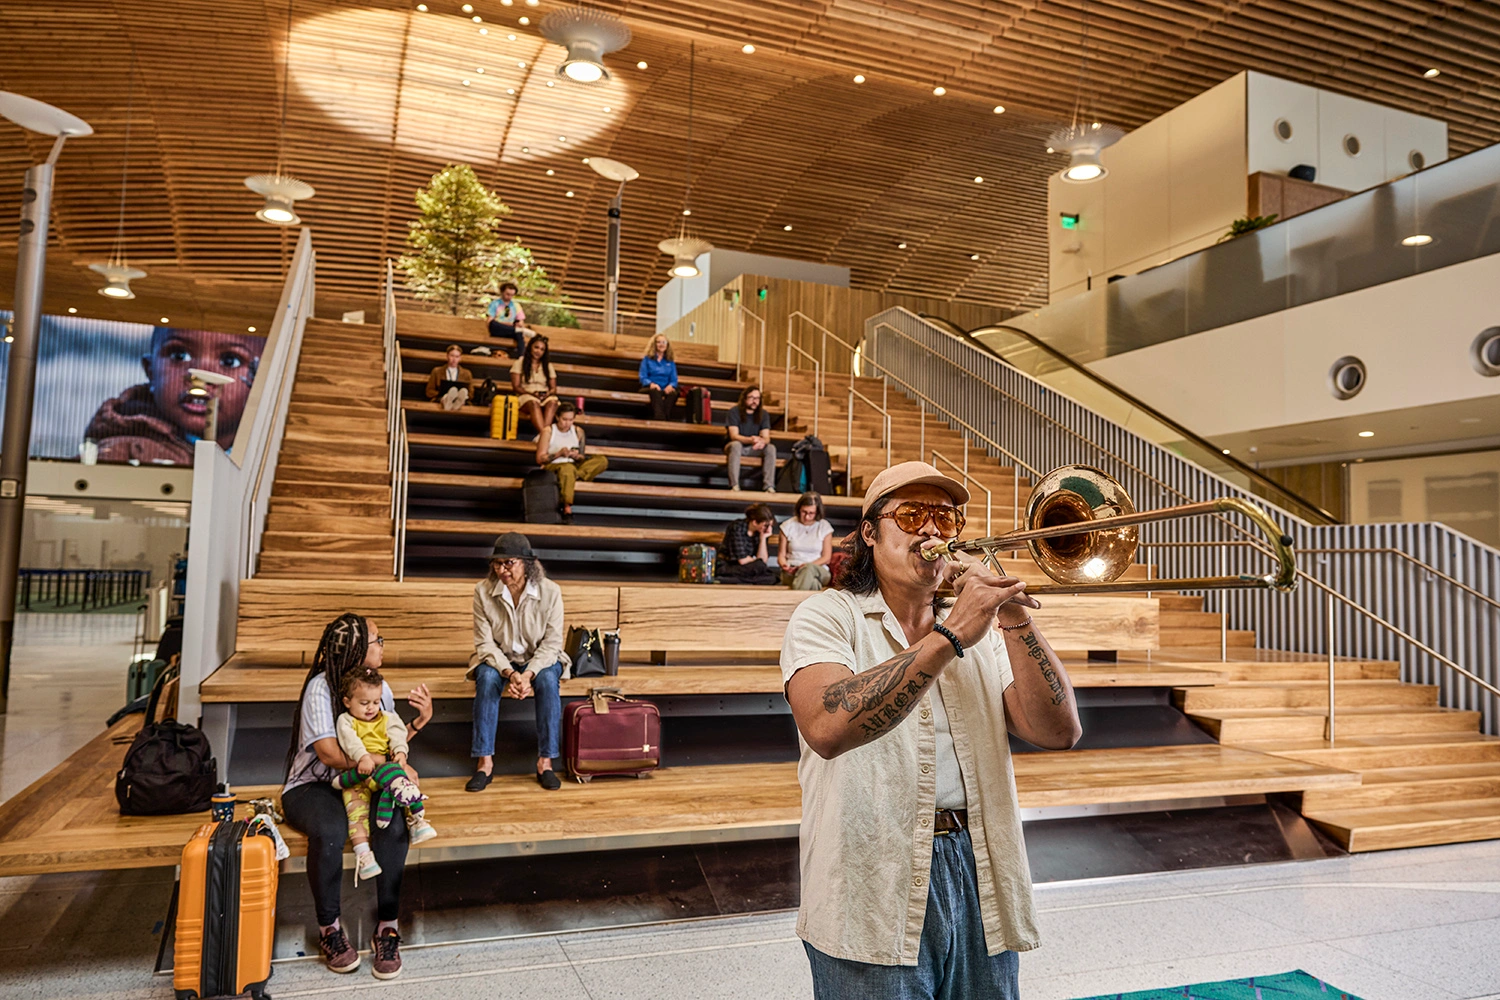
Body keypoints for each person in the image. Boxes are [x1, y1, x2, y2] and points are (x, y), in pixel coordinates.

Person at [781, 461, 1082, 998]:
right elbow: (827, 727)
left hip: (982, 866)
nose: (931, 531)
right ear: (870, 533)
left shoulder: (985, 627)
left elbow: (1058, 731)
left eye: (946, 518)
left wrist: (1014, 616)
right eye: (912, 515)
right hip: (870, 871)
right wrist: (951, 633)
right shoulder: (827, 615)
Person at [281, 613, 433, 980]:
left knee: (394, 824)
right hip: (314, 785)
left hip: (365, 785)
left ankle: (387, 927)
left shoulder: (381, 689)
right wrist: (391, 767)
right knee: (331, 831)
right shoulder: (322, 688)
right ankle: (329, 929)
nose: (383, 646)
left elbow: (389, 739)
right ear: (356, 650)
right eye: (378, 640)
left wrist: (416, 724)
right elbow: (331, 755)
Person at [466, 533, 570, 793]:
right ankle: (484, 763)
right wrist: (510, 673)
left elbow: (552, 644)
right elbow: (485, 644)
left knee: (547, 679)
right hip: (501, 660)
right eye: (497, 563)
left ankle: (545, 762)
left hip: (540, 660)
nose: (502, 570)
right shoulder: (482, 591)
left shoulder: (551, 592)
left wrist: (529, 674)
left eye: (509, 563)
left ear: (527, 563)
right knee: (487, 677)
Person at [85, 325, 263, 465]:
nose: (199, 375)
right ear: (150, 370)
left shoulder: (263, 453)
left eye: (229, 360)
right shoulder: (123, 451)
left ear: (260, 378)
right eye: (179, 355)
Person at [330, 666, 437, 886]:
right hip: (358, 775)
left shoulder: (387, 718)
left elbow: (398, 736)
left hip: (382, 773)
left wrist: (400, 753)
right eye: (364, 703)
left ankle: (417, 820)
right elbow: (350, 740)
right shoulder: (346, 721)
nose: (371, 708)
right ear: (347, 701)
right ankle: (364, 854)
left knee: (400, 784)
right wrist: (362, 756)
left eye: (376, 702)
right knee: (356, 812)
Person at [535, 401, 606, 523]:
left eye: (570, 420)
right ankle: (567, 508)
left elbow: (582, 457)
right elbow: (540, 459)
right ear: (557, 417)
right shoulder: (548, 431)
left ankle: (574, 476)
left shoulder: (578, 431)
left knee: (601, 460)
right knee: (567, 468)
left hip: (572, 464)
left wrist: (575, 455)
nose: (567, 423)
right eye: (564, 419)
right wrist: (558, 454)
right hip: (555, 466)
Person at [724, 385, 776, 492]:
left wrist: (762, 441)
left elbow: (766, 437)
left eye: (757, 398)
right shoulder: (734, 412)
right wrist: (752, 440)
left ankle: (769, 486)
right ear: (744, 398)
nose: (754, 401)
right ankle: (734, 485)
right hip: (735, 447)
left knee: (770, 448)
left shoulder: (764, 414)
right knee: (736, 445)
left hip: (754, 447)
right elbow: (734, 436)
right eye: (751, 398)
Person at [779, 492, 835, 590]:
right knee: (813, 583)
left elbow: (826, 558)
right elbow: (781, 555)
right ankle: (805, 602)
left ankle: (795, 600)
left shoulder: (824, 526)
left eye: (811, 513)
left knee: (808, 569)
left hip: (818, 569)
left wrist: (807, 566)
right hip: (793, 570)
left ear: (817, 512)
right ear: (799, 509)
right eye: (804, 512)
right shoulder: (787, 526)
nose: (807, 517)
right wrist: (785, 565)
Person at [717, 503, 780, 585]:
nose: (769, 529)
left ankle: (742, 579)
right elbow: (742, 560)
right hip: (729, 565)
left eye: (770, 526)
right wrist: (758, 563)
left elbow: (763, 560)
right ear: (754, 522)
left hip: (747, 568)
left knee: (771, 578)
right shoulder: (737, 527)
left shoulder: (760, 532)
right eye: (766, 525)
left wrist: (763, 538)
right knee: (760, 567)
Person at [510, 334, 558, 433]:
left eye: (542, 349)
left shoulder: (548, 365)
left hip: (543, 395)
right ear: (530, 347)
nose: (538, 351)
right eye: (536, 347)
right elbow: (516, 387)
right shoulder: (519, 363)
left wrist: (548, 394)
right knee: (533, 403)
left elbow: (553, 388)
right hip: (526, 394)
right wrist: (532, 394)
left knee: (553, 402)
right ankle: (545, 436)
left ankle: (544, 435)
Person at [638, 333, 679, 422]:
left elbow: (674, 379)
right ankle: (660, 418)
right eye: (659, 342)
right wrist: (651, 384)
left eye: (664, 342)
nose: (661, 344)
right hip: (651, 387)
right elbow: (642, 376)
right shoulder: (647, 359)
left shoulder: (670, 361)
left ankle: (665, 417)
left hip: (666, 387)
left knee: (673, 394)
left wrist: (671, 386)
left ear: (667, 345)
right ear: (654, 344)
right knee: (655, 392)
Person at [424, 344, 474, 411]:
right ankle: (447, 400)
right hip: (441, 397)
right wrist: (442, 394)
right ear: (447, 356)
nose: (454, 359)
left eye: (457, 356)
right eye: (452, 356)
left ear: (460, 358)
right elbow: (429, 391)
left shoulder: (467, 373)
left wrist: (464, 396)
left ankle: (457, 402)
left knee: (463, 392)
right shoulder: (437, 371)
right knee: (446, 396)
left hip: (460, 398)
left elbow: (471, 393)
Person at [487, 281, 528, 358]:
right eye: (507, 294)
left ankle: (521, 357)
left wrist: (517, 325)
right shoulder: (495, 304)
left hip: (510, 331)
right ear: (502, 292)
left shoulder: (516, 305)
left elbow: (521, 322)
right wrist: (509, 325)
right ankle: (516, 330)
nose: (509, 297)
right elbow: (489, 322)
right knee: (493, 324)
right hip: (498, 330)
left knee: (519, 332)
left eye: (512, 295)